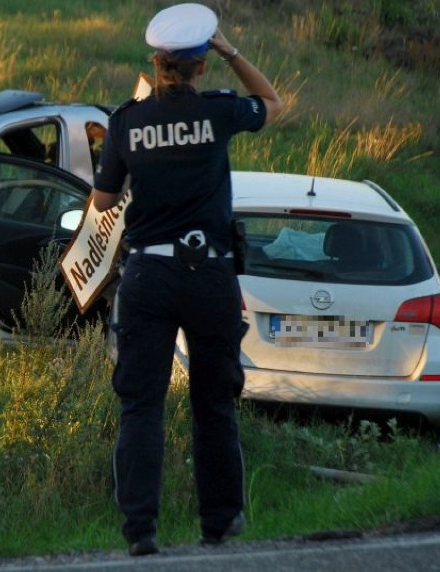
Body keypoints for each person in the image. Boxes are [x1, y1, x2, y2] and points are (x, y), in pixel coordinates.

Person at [91, 3, 283, 556]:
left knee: (141, 406)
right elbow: (273, 103)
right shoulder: (221, 112)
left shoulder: (126, 120)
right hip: (210, 276)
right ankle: (218, 524)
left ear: (155, 64)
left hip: (148, 275)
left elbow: (104, 199)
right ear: (202, 67)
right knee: (214, 403)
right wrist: (234, 50)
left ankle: (141, 532)